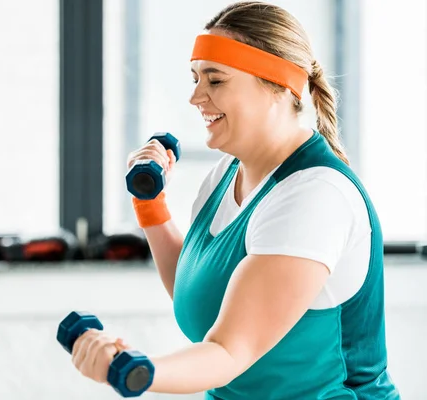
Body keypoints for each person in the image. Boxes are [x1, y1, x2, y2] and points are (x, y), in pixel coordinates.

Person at [70, 2, 400, 398]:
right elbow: (200, 294)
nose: (196, 97)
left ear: (279, 86)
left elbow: (230, 350)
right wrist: (151, 205)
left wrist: (133, 368)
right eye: (195, 79)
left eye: (216, 81)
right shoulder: (226, 175)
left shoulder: (315, 196)